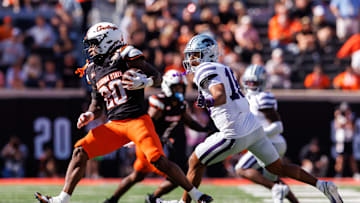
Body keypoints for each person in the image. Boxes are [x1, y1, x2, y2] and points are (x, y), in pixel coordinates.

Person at [34, 22, 212, 203]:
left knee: (157, 160)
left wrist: (145, 83)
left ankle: (196, 195)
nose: (91, 50)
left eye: (94, 44)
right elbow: (97, 105)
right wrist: (89, 114)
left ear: (107, 40)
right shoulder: (94, 70)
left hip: (138, 120)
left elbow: (157, 77)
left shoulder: (126, 55)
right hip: (115, 125)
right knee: (80, 151)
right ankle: (62, 199)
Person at [177, 34, 343, 203]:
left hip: (234, 131)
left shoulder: (205, 70)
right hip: (253, 128)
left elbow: (220, 94)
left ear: (208, 54)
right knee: (278, 168)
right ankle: (323, 185)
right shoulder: (224, 68)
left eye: (195, 54)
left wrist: (209, 100)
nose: (191, 59)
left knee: (195, 161)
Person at [104, 69, 212, 203]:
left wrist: (206, 129)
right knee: (177, 176)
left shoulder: (180, 105)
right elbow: (148, 122)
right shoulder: (159, 102)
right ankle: (153, 198)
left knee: (137, 175)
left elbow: (189, 122)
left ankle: (112, 200)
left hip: (154, 145)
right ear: (167, 87)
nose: (179, 91)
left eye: (181, 88)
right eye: (176, 87)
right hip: (148, 145)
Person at [235, 64, 299, 203]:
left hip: (270, 142)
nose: (251, 85)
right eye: (248, 82)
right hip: (269, 142)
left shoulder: (263, 97)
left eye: (255, 82)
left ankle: (277, 189)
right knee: (273, 177)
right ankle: (294, 201)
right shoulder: (247, 98)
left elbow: (278, 126)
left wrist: (256, 134)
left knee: (241, 169)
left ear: (262, 82)